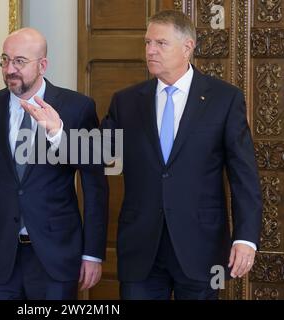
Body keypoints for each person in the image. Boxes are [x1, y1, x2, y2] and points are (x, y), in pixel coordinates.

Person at [101, 10, 263, 299]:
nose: (150, 50)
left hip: (203, 249)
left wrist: (246, 238)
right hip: (141, 252)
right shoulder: (126, 101)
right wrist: (56, 130)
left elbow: (244, 176)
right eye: (148, 43)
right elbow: (100, 153)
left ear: (187, 47)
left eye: (160, 44)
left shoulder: (224, 99)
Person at [0, 28, 108, 300]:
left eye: (19, 61)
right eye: (5, 60)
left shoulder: (77, 108)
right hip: (0, 258)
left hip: (56, 255)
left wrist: (93, 253)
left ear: (43, 65)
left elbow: (95, 186)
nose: (9, 69)